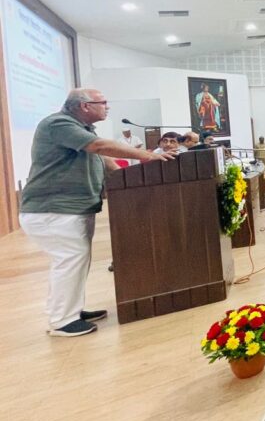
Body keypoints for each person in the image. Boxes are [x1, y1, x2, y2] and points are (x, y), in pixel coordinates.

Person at [19, 89, 173, 337]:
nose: (107, 107)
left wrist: (130, 179)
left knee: (76, 261)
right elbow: (100, 147)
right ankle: (61, 321)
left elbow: (104, 160)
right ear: (84, 106)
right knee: (69, 261)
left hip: (71, 208)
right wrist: (147, 156)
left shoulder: (83, 131)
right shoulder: (58, 123)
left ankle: (72, 310)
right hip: (52, 209)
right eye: (103, 103)